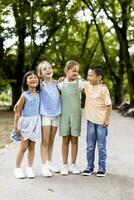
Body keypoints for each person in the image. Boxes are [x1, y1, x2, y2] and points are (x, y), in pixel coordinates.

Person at [82, 67, 112, 177]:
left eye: (91, 75)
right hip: (90, 121)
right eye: (88, 75)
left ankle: (102, 167)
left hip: (101, 122)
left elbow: (109, 105)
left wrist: (107, 118)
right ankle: (89, 167)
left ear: (99, 77)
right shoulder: (87, 85)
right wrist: (61, 79)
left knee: (101, 146)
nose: (88, 77)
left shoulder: (103, 89)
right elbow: (75, 79)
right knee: (90, 146)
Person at [58, 60, 85, 175]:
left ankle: (73, 164)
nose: (76, 73)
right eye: (74, 71)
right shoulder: (60, 85)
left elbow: (92, 86)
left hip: (76, 115)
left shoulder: (80, 84)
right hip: (64, 115)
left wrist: (101, 84)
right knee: (65, 139)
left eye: (77, 72)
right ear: (67, 70)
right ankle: (64, 165)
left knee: (74, 139)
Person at [13, 71, 41, 179]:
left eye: (35, 78)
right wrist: (16, 127)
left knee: (32, 146)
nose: (33, 79)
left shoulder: (39, 94)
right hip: (25, 123)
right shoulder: (24, 95)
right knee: (24, 147)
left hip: (35, 123)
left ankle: (30, 168)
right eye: (30, 78)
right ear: (26, 81)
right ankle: (17, 168)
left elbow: (48, 82)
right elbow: (18, 111)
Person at [37, 61, 61, 177]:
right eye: (44, 69)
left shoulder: (56, 84)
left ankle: (50, 162)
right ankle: (44, 166)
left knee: (51, 140)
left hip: (56, 115)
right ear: (40, 74)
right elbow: (29, 88)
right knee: (45, 141)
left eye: (49, 68)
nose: (48, 70)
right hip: (45, 115)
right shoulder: (40, 85)